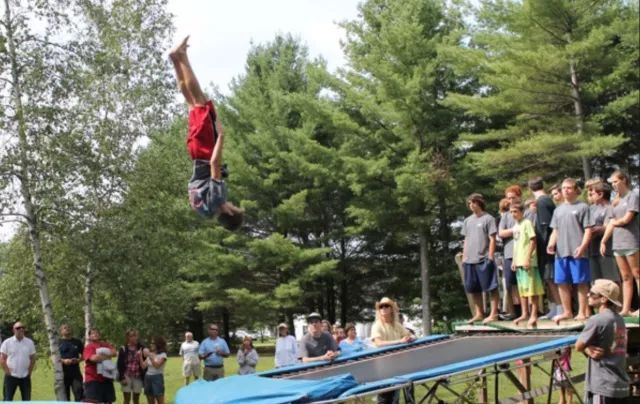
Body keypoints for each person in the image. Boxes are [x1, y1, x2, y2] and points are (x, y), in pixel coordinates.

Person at [169, 36, 244, 230]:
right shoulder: (204, 211)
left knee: (199, 101)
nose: (232, 203)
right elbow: (195, 186)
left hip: (205, 150)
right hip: (195, 153)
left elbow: (214, 164)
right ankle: (175, 60)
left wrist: (221, 138)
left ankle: (181, 56)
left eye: (234, 206)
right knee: (190, 103)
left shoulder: (218, 199)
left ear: (229, 212)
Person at [575, 279, 629, 402]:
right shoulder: (620, 319)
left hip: (603, 385)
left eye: (592, 293)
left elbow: (578, 346)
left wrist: (587, 349)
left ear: (603, 299)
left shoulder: (597, 320)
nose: (588, 295)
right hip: (621, 386)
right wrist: (588, 349)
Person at [547, 178, 593, 323]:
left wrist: (583, 247)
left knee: (581, 282)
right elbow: (555, 230)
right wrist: (551, 243)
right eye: (563, 188)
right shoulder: (558, 210)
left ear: (575, 190)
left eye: (568, 188)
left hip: (577, 252)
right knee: (561, 282)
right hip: (561, 253)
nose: (565, 191)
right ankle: (567, 311)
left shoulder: (583, 207)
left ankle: (582, 312)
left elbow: (588, 230)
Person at [601, 170, 639, 317]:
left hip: (631, 240)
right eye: (612, 183)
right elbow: (611, 223)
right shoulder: (614, 200)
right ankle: (626, 309)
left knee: (637, 274)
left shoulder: (633, 196)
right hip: (617, 243)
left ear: (624, 180)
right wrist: (604, 240)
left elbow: (627, 219)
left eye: (616, 181)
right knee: (625, 277)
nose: (614, 185)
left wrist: (615, 222)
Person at [461, 193, 499, 324]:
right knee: (472, 288)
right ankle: (479, 313)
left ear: (480, 203)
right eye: (469, 203)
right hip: (469, 260)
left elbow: (492, 238)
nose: (471, 205)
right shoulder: (467, 221)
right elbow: (466, 239)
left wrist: (490, 256)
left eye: (473, 202)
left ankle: (494, 313)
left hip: (484, 258)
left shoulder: (488, 218)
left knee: (491, 287)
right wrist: (464, 256)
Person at [371, 298, 416, 404]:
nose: (383, 308)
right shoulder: (377, 325)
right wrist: (399, 341)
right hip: (384, 368)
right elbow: (378, 342)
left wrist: (410, 338)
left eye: (386, 306)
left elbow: (410, 335)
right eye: (381, 306)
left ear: (391, 309)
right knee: (385, 398)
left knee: (404, 392)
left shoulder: (396, 324)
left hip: (399, 365)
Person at [528, 176, 560, 320]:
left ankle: (560, 307)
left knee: (551, 277)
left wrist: (546, 245)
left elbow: (546, 226)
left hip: (547, 247)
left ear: (530, 188)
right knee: (547, 279)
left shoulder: (542, 201)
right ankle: (554, 307)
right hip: (545, 246)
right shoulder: (544, 201)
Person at [510, 202, 545, 327]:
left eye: (515, 211)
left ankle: (534, 314)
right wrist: (514, 260)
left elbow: (532, 241)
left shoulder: (527, 223)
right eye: (511, 212)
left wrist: (528, 258)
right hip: (518, 261)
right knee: (522, 290)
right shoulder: (515, 226)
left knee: (532, 289)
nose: (513, 214)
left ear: (521, 212)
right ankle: (524, 313)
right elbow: (515, 244)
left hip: (527, 261)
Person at [586, 180, 620, 284]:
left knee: (611, 282)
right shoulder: (591, 209)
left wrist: (589, 231)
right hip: (592, 251)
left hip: (607, 251)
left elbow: (606, 227)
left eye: (592, 193)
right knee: (596, 283)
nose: (590, 195)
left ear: (600, 194)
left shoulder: (610, 208)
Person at [498, 185, 522, 321]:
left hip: (523, 253)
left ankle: (529, 311)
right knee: (511, 284)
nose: (511, 200)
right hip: (509, 253)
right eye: (508, 198)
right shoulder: (506, 215)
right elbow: (501, 233)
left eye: (513, 197)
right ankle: (517, 312)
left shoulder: (526, 212)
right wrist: (515, 230)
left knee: (525, 283)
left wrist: (513, 230)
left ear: (519, 197)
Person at [0, 321, 36, 401]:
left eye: (23, 327)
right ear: (13, 330)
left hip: (25, 377)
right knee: (7, 400)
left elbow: (33, 358)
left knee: (26, 400)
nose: (21, 329)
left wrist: (29, 372)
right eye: (18, 328)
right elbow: (2, 359)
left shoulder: (29, 342)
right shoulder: (7, 342)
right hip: (11, 377)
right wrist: (7, 371)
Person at [83, 328, 117, 404]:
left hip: (107, 378)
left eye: (97, 332)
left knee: (108, 401)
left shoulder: (105, 344)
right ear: (89, 336)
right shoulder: (89, 347)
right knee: (93, 402)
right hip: (93, 379)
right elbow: (94, 358)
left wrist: (101, 356)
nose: (95, 334)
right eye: (93, 333)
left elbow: (114, 352)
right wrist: (107, 356)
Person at [117, 329, 146, 404]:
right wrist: (122, 378)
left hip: (138, 376)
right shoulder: (123, 348)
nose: (133, 338)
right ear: (127, 337)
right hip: (126, 375)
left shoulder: (141, 348)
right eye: (131, 336)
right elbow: (119, 365)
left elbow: (145, 362)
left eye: (135, 335)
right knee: (127, 398)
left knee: (136, 398)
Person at [59, 323, 84, 401]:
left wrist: (78, 360)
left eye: (69, 327)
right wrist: (63, 361)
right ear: (61, 331)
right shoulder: (58, 342)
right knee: (65, 397)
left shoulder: (77, 341)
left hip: (75, 372)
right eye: (65, 328)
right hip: (62, 373)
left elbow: (84, 355)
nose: (67, 329)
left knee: (79, 392)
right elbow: (52, 357)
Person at [140, 336, 167, 404]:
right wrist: (140, 356)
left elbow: (157, 366)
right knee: (150, 400)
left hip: (157, 378)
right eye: (151, 343)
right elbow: (143, 366)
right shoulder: (151, 354)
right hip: (148, 377)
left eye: (153, 343)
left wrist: (150, 356)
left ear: (158, 344)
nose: (151, 344)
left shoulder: (163, 355)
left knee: (160, 399)